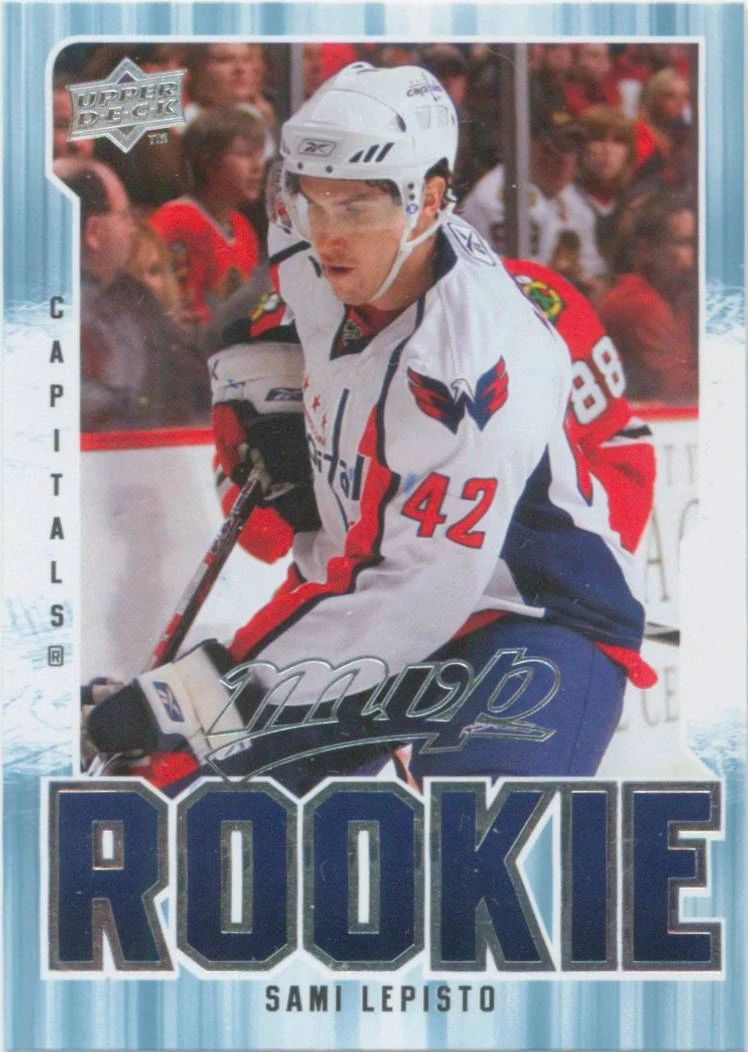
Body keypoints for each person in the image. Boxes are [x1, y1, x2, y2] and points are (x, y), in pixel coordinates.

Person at [87, 63, 655, 794]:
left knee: (469, 828)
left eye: (355, 208)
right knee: (195, 800)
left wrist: (189, 699)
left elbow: (410, 598)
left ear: (430, 201)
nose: (328, 235)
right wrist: (278, 384)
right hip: (376, 601)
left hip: (530, 616)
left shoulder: (470, 370)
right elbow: (286, 276)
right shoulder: (311, 231)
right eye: (313, 200)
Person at [55, 158, 210, 430]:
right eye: (125, 216)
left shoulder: (133, 295)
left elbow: (193, 383)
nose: (132, 228)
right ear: (93, 232)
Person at [149, 108, 265, 330]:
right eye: (244, 155)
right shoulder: (176, 223)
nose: (257, 167)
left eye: (258, 155)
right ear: (208, 162)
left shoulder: (243, 227)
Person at [598, 194, 697, 403]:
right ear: (646, 250)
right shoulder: (641, 305)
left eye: (693, 244)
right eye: (682, 243)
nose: (693, 256)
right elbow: (680, 394)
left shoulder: (672, 297)